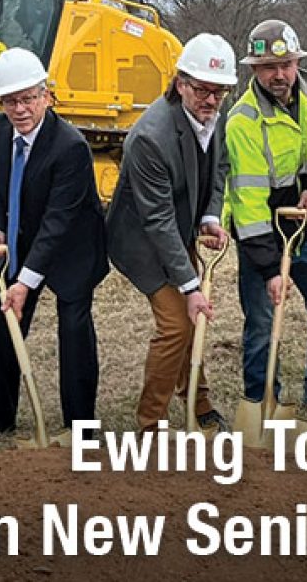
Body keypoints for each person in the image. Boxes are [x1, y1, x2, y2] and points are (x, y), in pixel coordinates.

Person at [0, 47, 109, 441]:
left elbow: (57, 222)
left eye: (28, 98)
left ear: (46, 95)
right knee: (5, 324)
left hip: (72, 247)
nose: (20, 109)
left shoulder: (70, 146)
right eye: (10, 101)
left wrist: (26, 282)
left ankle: (81, 427)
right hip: (16, 240)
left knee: (74, 330)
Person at [106, 33, 235, 432]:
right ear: (181, 84)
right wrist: (190, 285)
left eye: (219, 92)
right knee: (177, 324)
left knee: (190, 319)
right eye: (202, 90)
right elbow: (157, 220)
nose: (211, 100)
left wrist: (210, 215)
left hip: (177, 230)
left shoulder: (215, 118)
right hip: (141, 240)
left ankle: (198, 401)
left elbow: (220, 167)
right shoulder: (150, 137)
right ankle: (151, 424)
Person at [223, 19, 307, 422]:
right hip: (260, 234)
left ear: (297, 63)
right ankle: (261, 405)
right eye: (268, 67)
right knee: (262, 322)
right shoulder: (243, 121)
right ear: (254, 69)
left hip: (305, 230)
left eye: (286, 64)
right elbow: (248, 202)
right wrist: (269, 268)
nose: (278, 74)